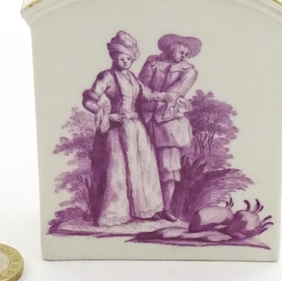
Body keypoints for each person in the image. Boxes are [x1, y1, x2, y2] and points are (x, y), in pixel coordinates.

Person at [82, 31, 182, 227]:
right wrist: (108, 116)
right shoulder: (106, 76)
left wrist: (167, 97)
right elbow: (89, 101)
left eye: (129, 58)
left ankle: (143, 210)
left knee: (143, 167)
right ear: (114, 57)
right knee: (117, 170)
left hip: (136, 128)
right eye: (122, 58)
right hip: (116, 129)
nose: (126, 61)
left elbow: (148, 94)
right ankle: (116, 213)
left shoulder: (131, 77)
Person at [139, 34, 201, 222]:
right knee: (143, 163)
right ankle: (145, 208)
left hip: (169, 121)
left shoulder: (189, 71)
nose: (184, 56)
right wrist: (146, 96)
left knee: (169, 167)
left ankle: (165, 208)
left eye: (187, 54)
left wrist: (150, 96)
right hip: (143, 117)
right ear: (172, 47)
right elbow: (139, 85)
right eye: (182, 51)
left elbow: (174, 93)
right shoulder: (152, 62)